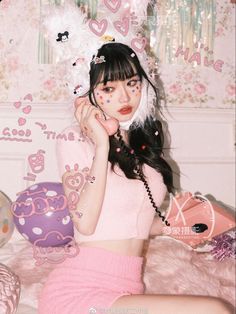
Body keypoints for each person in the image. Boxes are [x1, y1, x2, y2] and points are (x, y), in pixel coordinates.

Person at [38, 42, 234, 314]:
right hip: (79, 290)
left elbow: (132, 220)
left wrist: (179, 224)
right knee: (215, 310)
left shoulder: (143, 144)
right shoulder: (75, 140)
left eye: (132, 83)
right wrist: (101, 146)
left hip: (128, 288)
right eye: (109, 88)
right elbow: (85, 223)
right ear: (88, 93)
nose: (125, 97)